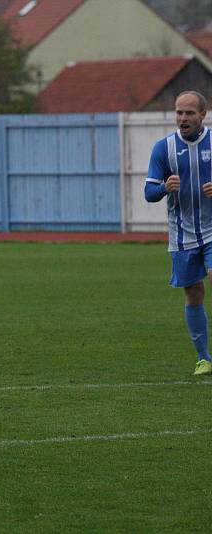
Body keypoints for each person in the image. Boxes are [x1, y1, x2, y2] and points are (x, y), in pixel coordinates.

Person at [145, 90, 212, 376]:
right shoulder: (164, 148)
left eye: (189, 113)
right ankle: (203, 358)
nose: (182, 118)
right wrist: (164, 188)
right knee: (194, 293)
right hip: (182, 236)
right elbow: (149, 192)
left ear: (203, 115)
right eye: (178, 112)